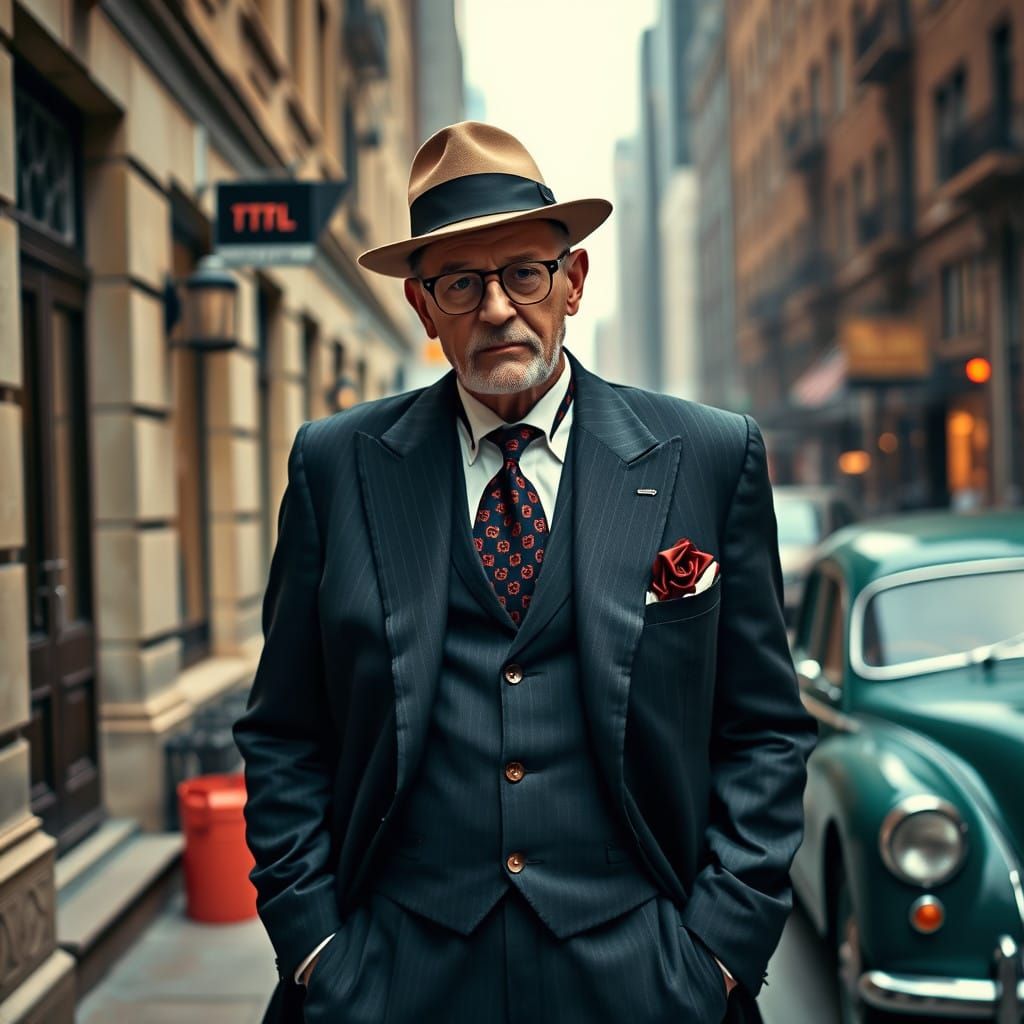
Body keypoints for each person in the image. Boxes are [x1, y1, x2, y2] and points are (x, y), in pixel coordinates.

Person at [233, 121, 817, 1024]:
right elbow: (283, 730)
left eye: (524, 273)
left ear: (573, 281)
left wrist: (717, 952)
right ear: (423, 308)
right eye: (461, 283)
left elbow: (765, 728)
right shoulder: (334, 465)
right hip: (396, 976)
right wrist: (317, 947)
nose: (497, 308)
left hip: (644, 975)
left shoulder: (707, 454)